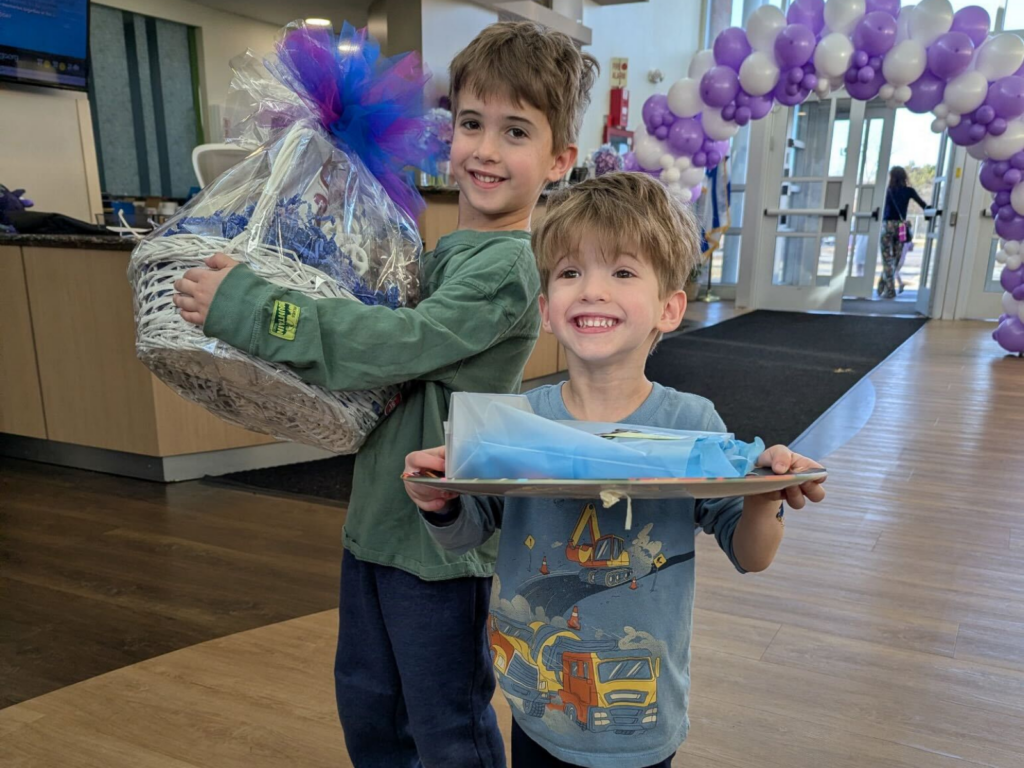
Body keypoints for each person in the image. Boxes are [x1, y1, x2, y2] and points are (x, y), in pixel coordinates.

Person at [171, 21, 598, 768]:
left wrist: (249, 307)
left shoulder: (506, 268)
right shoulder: (451, 247)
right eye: (472, 123)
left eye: (516, 131)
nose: (486, 150)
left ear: (560, 159)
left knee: (447, 730)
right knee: (369, 707)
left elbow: (397, 344)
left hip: (439, 543)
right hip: (377, 525)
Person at [404, 173, 827, 768]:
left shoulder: (692, 421)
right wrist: (442, 499)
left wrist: (763, 493)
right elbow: (471, 529)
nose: (593, 291)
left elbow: (752, 553)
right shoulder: (522, 420)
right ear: (546, 308)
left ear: (669, 308)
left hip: (642, 728)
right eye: (570, 272)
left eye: (623, 272)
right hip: (536, 712)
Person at [879, 166, 928, 299]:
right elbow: (924, 205)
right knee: (895, 259)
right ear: (904, 177)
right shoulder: (909, 191)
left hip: (887, 225)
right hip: (901, 227)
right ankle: (883, 282)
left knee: (886, 258)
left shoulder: (887, 191)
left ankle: (888, 289)